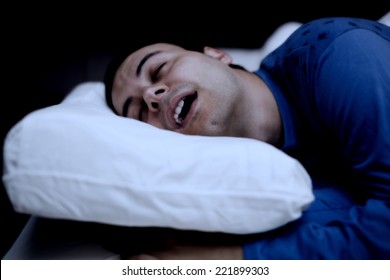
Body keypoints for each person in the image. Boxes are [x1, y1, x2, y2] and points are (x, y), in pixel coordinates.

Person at [104, 17, 390, 259]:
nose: (150, 96)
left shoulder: (341, 54)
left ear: (217, 55)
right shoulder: (256, 186)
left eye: (157, 69)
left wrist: (232, 257)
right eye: (139, 112)